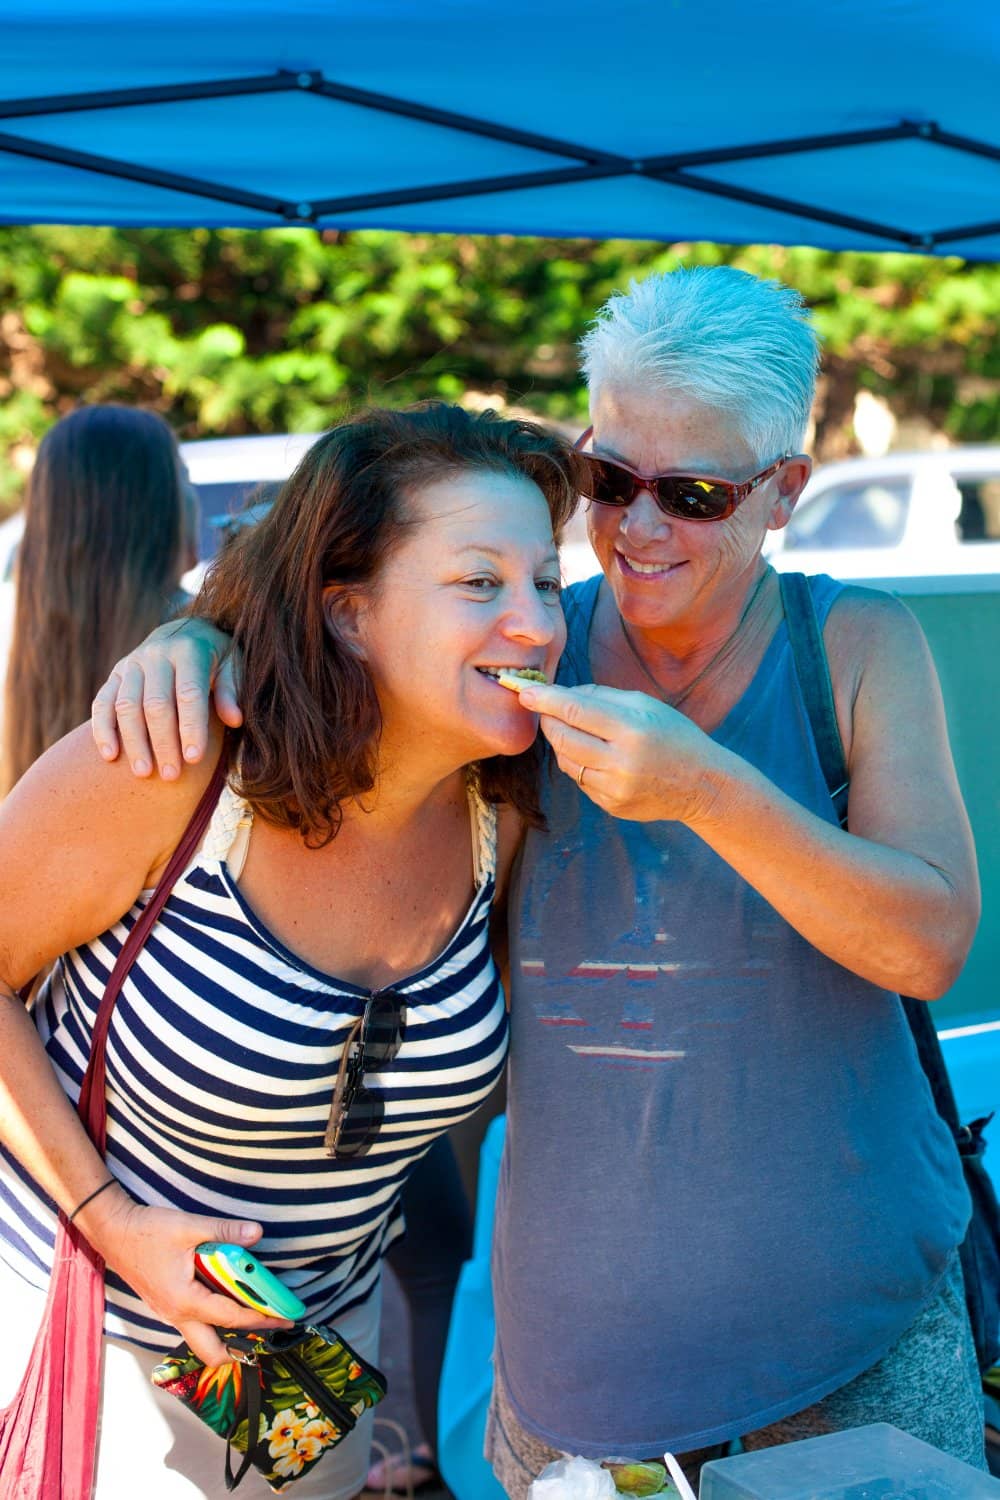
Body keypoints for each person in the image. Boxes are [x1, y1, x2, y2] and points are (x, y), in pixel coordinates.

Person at [91, 267, 986, 1490]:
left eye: (696, 494)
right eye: (607, 479)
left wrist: (709, 791)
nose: (636, 529)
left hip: (853, 1350)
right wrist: (196, 634)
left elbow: (928, 944)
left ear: (785, 495)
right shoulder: (518, 662)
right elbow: (343, 603)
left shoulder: (854, 645)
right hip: (563, 1380)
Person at [0, 402, 582, 1500]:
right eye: (479, 583)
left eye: (545, 583)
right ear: (348, 612)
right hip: (74, 1308)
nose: (536, 623)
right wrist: (111, 1221)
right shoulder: (172, 765)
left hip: (294, 1348)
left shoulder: (499, 818)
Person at [1, 404, 198, 795]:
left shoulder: (24, 652)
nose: (192, 496)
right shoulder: (204, 648)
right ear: (152, 510)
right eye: (183, 475)